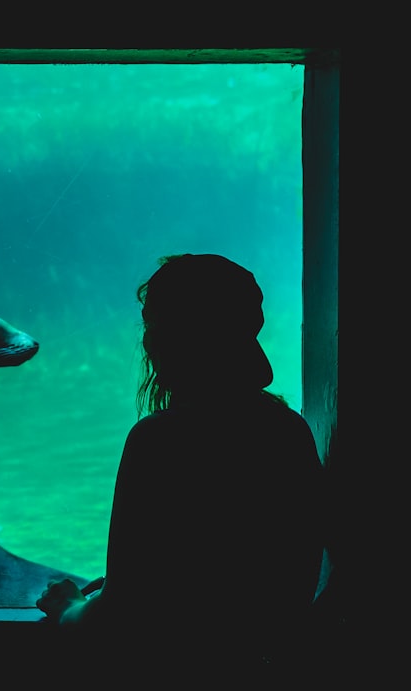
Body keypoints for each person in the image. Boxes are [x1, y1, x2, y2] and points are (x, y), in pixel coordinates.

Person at [36, 254, 324, 670]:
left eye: (153, 324)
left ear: (177, 337)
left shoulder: (158, 441)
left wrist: (69, 607)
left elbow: (118, 620)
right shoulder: (289, 431)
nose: (147, 340)